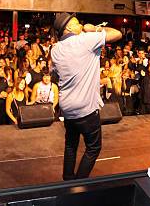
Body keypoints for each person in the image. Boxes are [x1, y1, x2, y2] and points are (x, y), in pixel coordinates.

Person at [51, 13, 122, 180]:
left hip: (67, 108)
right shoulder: (85, 40)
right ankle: (78, 183)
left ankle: (67, 180)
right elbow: (117, 34)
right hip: (85, 108)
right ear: (68, 28)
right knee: (93, 148)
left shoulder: (55, 49)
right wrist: (94, 29)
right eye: (77, 23)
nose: (81, 25)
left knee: (71, 145)